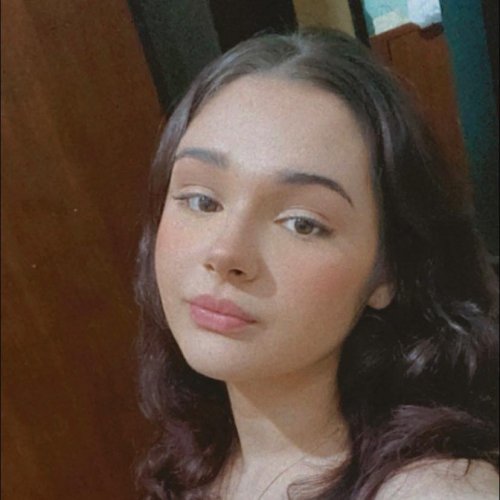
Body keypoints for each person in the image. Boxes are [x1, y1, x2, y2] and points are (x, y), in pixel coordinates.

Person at [134, 28, 499, 499]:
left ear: (388, 269)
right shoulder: (202, 461)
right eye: (202, 200)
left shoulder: (433, 490)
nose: (225, 253)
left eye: (302, 224)